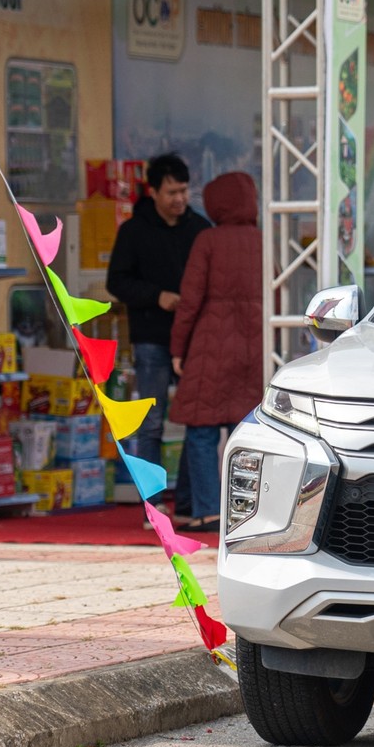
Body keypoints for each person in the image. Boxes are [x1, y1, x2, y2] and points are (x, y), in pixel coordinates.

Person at [106, 153, 211, 510]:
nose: (179, 199)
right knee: (151, 424)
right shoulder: (133, 231)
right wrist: (157, 297)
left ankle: (184, 501)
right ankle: (152, 505)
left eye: (184, 191)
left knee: (198, 421)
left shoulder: (200, 229)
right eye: (171, 192)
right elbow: (116, 282)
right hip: (150, 337)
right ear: (153, 192)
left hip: (194, 341)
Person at [167, 171, 262, 532]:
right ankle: (239, 511)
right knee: (247, 433)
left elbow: (190, 301)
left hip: (210, 346)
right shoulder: (262, 241)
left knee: (202, 432)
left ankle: (207, 510)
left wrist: (179, 347)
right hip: (253, 348)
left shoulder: (207, 240)